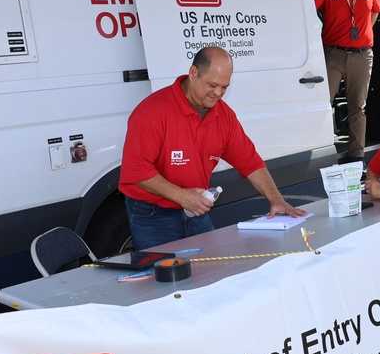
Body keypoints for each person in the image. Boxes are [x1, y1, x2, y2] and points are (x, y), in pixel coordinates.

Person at [119, 47, 306, 249]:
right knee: (163, 277)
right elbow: (136, 171)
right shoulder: (152, 111)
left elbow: (250, 162)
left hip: (196, 210)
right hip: (153, 214)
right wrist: (183, 197)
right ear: (193, 73)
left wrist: (276, 199)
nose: (218, 93)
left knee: (210, 269)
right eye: (212, 84)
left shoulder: (223, 115)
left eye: (224, 87)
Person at [312, 0, 380, 161]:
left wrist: (363, 34)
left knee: (358, 107)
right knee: (324, 104)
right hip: (333, 54)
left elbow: (374, 13)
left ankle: (357, 156)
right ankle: (320, 153)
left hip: (362, 55)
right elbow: (307, 8)